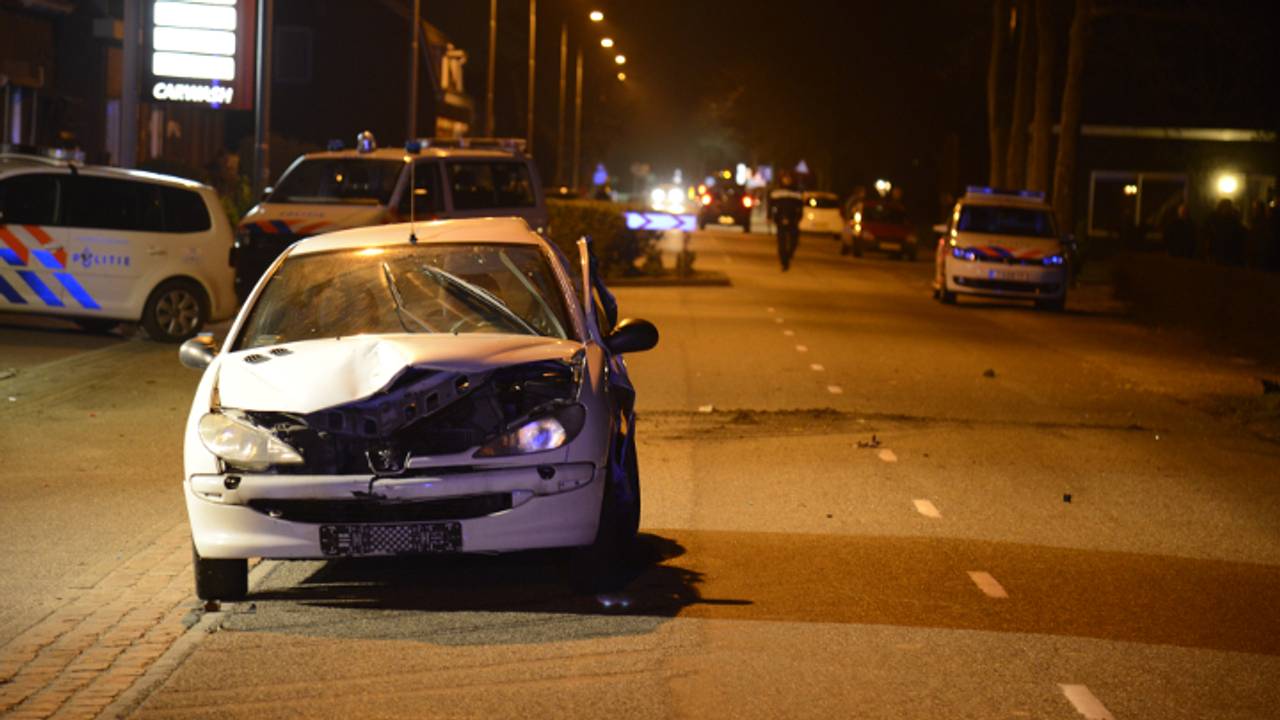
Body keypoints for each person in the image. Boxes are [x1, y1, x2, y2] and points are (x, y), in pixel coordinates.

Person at [769, 172, 804, 271]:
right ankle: (784, 262)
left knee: (794, 241)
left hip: (793, 220)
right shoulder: (776, 192)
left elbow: (801, 207)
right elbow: (770, 205)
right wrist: (770, 216)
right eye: (785, 178)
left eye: (788, 178)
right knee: (782, 242)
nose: (787, 180)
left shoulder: (797, 193)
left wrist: (799, 217)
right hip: (780, 219)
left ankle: (789, 254)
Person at [1204, 198, 1247, 266]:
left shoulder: (1233, 220)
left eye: (1228, 207)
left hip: (1228, 252)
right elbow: (1208, 233)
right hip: (1217, 250)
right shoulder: (1214, 218)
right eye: (1226, 206)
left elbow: (1238, 236)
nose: (1227, 209)